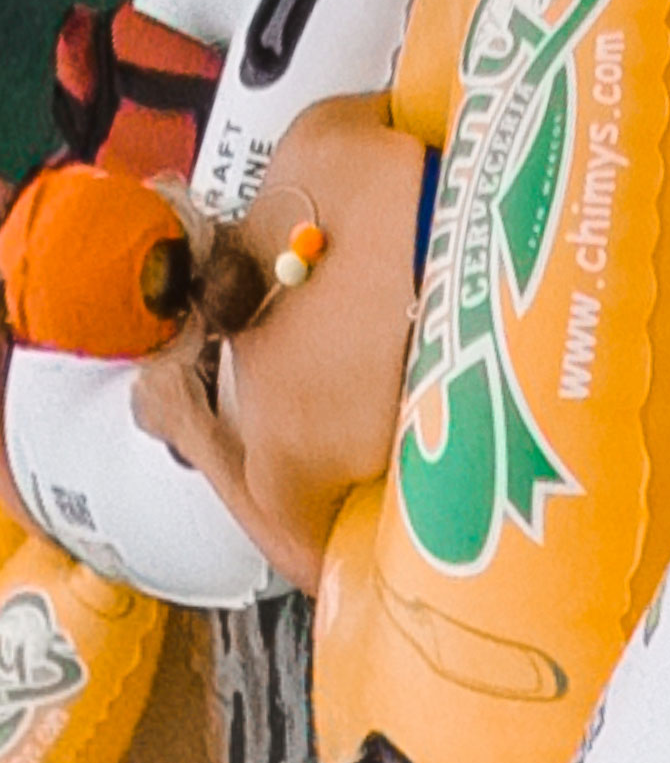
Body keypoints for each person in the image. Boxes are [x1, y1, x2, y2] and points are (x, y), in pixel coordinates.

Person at [1, 136, 426, 600]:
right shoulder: (314, 138)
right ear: (164, 187)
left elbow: (335, 588)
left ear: (142, 356)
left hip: (68, 476)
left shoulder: (273, 448)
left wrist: (196, 435)